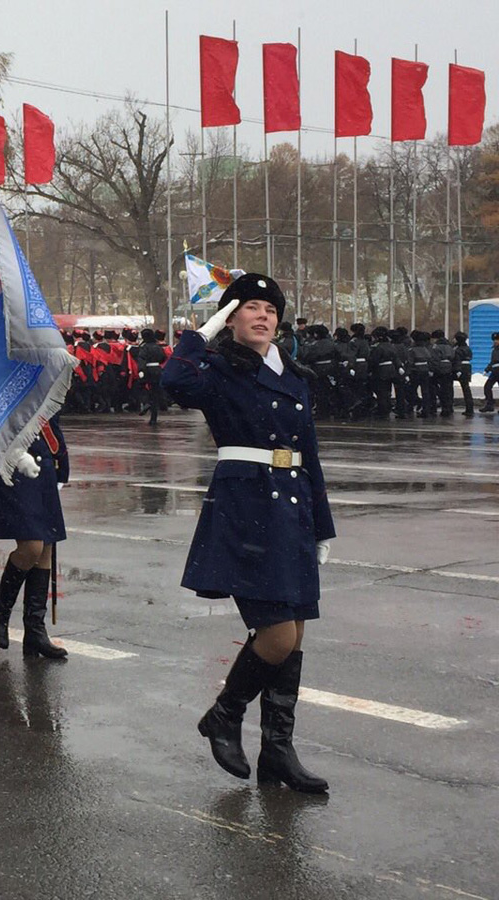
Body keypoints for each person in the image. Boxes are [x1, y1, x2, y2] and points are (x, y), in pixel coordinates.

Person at [162, 273, 332, 794]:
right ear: (231, 318)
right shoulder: (218, 369)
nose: (263, 316)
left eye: (270, 309)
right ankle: (224, 714)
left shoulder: (294, 375)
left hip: (292, 510)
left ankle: (278, 750)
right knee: (277, 635)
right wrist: (202, 332)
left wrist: (322, 525)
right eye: (250, 307)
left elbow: (308, 455)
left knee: (294, 633)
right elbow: (173, 382)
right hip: (246, 508)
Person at [0, 415, 70, 660]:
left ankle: (35, 629)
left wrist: (60, 458)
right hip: (12, 460)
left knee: (46, 545)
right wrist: (16, 454)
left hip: (42, 457)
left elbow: (49, 413)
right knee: (32, 545)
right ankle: (1, 612)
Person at [136, 328, 168, 425]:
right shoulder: (158, 347)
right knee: (155, 393)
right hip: (157, 370)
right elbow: (163, 358)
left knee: (142, 388)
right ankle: (153, 418)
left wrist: (141, 370)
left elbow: (141, 359)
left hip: (147, 370)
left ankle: (147, 403)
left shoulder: (144, 347)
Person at [452, 332, 474, 418]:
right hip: (467, 367)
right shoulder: (468, 348)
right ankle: (470, 408)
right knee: (466, 388)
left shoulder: (457, 349)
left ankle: (450, 405)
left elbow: (456, 360)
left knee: (451, 386)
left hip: (461, 368)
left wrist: (457, 370)